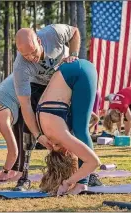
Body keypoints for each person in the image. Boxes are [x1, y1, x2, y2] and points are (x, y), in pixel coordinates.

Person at [13, 24, 80, 190]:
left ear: (39, 40)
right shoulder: (20, 66)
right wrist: (38, 135)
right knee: (26, 127)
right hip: (39, 84)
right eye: (25, 54)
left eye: (33, 52)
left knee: (74, 122)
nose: (31, 57)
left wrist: (73, 55)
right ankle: (24, 176)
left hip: (63, 77)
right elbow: (25, 104)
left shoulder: (53, 33)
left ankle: (85, 173)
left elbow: (75, 32)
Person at [37, 59, 101, 195]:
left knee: (81, 131)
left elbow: (94, 162)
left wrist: (68, 182)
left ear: (66, 153)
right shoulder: (46, 134)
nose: (75, 153)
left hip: (79, 73)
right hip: (70, 71)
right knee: (79, 129)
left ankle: (82, 185)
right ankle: (81, 183)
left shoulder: (60, 136)